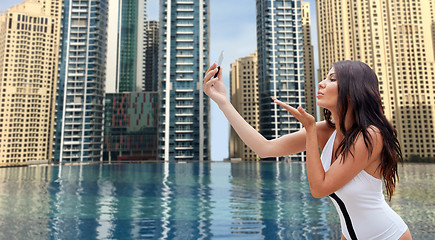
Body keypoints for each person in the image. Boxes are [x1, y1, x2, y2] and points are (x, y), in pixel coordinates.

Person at [203, 60, 412, 240]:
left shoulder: (370, 135)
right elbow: (264, 148)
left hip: (388, 235)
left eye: (332, 79)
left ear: (352, 91)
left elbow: (319, 188)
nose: (321, 82)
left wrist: (310, 129)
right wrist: (223, 102)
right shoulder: (325, 130)